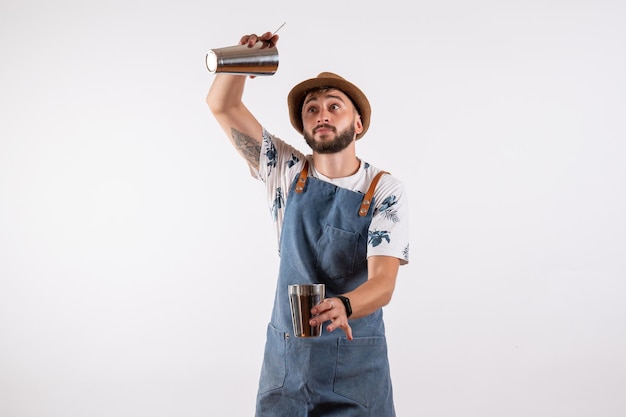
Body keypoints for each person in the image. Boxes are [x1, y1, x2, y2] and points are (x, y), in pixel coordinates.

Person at [206, 30, 410, 417]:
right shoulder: (283, 169)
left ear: (359, 123)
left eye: (335, 106)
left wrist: (344, 305)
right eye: (312, 109)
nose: (323, 115)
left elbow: (383, 284)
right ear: (303, 126)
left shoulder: (385, 190)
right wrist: (240, 59)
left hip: (356, 365)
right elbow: (221, 104)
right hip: (288, 363)